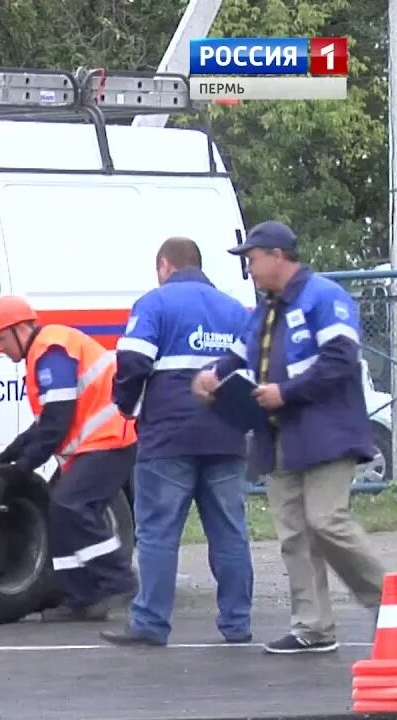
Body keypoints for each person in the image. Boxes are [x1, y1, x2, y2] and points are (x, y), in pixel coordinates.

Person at [192, 220, 387, 654]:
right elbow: (240, 353)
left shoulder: (323, 296)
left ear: (277, 255)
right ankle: (312, 627)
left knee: (326, 521)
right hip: (277, 438)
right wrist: (212, 376)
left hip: (324, 434)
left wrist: (286, 392)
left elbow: (341, 359)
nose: (249, 269)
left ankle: (393, 605)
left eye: (253, 259)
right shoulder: (266, 308)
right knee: (294, 534)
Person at [99, 237, 255, 647]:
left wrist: (126, 404)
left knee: (158, 532)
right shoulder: (234, 310)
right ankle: (237, 624)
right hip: (226, 435)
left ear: (165, 265)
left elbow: (133, 359)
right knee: (230, 532)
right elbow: (253, 369)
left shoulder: (155, 304)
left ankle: (151, 623)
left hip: (168, 437)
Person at [0, 296, 139, 621]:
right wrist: (5, 459)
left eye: (0, 337)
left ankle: (119, 582)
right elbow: (42, 426)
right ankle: (80, 597)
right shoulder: (42, 353)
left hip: (111, 440)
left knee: (70, 505)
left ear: (21, 329)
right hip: (95, 445)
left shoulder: (53, 350)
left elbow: (57, 422)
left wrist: (22, 469)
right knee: (60, 510)